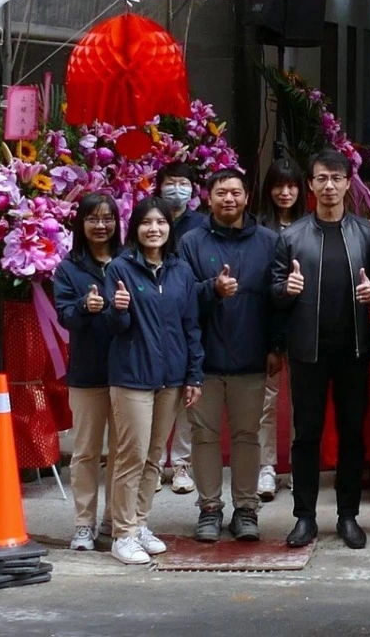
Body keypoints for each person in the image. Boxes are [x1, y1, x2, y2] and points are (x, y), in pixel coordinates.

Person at [271, 149, 370, 550]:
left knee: (352, 433)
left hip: (354, 348)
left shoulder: (366, 233)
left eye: (336, 178)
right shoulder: (292, 236)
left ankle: (348, 515)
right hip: (308, 350)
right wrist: (287, 289)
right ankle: (305, 516)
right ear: (311, 185)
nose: (329, 186)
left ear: (348, 183)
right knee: (307, 435)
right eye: (321, 178)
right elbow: (273, 290)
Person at [176, 168, 279, 544]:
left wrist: (275, 346)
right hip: (204, 358)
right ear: (209, 197)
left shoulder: (268, 241)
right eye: (221, 193)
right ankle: (209, 508)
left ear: (247, 197)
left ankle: (246, 509)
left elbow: (275, 301)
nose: (229, 199)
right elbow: (182, 297)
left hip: (251, 356)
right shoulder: (191, 242)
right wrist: (212, 290)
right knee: (204, 437)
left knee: (247, 435)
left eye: (236, 192)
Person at [102, 197, 203, 565]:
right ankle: (122, 533)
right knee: (132, 455)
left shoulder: (181, 270)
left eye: (161, 222)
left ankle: (140, 523)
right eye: (146, 222)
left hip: (171, 378)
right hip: (133, 376)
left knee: (154, 458)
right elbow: (115, 326)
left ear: (169, 229)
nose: (154, 229)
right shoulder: (120, 268)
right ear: (136, 228)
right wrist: (118, 309)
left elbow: (191, 326)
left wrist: (193, 374)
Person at [51, 192, 120, 552]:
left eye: (108, 218)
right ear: (81, 223)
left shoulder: (129, 260)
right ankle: (83, 524)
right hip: (87, 370)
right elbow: (64, 316)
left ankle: (115, 519)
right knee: (86, 452)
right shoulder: (69, 268)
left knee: (123, 453)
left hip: (128, 372)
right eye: (93, 219)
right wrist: (83, 306)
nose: (101, 225)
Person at [252, 158, 306, 501]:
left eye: (291, 186)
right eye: (278, 186)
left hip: (302, 325)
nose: (285, 192)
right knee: (266, 402)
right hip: (266, 322)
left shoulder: (310, 225)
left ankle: (301, 466)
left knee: (303, 402)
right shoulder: (258, 228)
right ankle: (266, 467)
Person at [157, 161, 206, 493]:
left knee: (188, 394)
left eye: (183, 183)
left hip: (189, 312)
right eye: (171, 182)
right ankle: (154, 462)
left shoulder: (200, 225)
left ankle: (182, 464)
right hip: (153, 313)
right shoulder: (150, 217)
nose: (177, 189)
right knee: (156, 393)